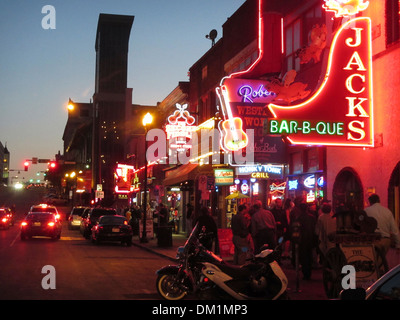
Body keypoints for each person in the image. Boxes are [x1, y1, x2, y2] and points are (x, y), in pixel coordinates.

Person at [294, 202, 317, 280]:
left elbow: (296, 230)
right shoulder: (312, 217)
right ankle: (308, 272)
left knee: (304, 257)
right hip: (310, 239)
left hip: (302, 240)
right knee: (309, 255)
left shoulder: (299, 218)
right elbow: (315, 229)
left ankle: (306, 273)